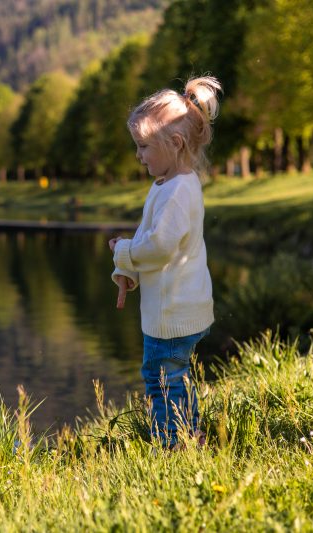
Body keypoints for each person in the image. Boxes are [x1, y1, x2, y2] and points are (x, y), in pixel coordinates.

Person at [108, 76, 221, 448]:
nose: (138, 155)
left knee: (161, 380)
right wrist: (126, 268)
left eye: (143, 146)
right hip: (179, 306)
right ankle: (190, 435)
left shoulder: (176, 192)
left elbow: (159, 247)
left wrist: (124, 251)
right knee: (173, 377)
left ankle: (174, 445)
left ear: (174, 144)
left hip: (171, 314)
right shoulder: (169, 184)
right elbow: (148, 235)